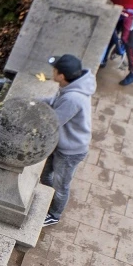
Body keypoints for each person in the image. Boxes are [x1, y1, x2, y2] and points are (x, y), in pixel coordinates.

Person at [42, 54, 95, 227]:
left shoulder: (72, 98)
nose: (52, 72)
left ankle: (54, 214)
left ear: (61, 76)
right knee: (46, 175)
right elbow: (55, 102)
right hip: (61, 144)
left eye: (55, 70)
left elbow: (52, 122)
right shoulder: (72, 87)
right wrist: (36, 103)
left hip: (70, 151)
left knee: (61, 185)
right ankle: (47, 197)